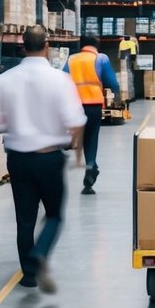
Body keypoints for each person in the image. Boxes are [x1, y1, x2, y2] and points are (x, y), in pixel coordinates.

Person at [0, 26, 86, 293]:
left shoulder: (3, 81)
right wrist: (76, 150)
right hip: (49, 158)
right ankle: (40, 253)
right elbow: (76, 121)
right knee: (53, 215)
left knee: (25, 219)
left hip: (18, 159)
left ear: (22, 46)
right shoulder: (60, 80)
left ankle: (28, 276)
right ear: (47, 46)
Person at [63, 34, 119, 194]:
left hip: (73, 106)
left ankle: (89, 165)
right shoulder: (101, 58)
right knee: (91, 137)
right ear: (96, 45)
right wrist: (116, 93)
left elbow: (62, 79)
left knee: (80, 137)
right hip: (93, 105)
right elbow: (112, 82)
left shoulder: (72, 59)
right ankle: (90, 165)